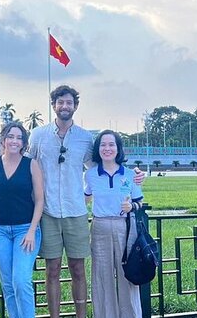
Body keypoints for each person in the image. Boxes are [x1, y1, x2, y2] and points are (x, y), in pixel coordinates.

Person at [27, 84, 144, 318]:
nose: (65, 106)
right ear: (53, 105)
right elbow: (27, 166)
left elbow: (102, 165)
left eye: (69, 102)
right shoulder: (38, 135)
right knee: (52, 269)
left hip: (76, 212)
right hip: (48, 211)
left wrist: (133, 174)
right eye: (60, 102)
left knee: (78, 268)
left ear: (75, 106)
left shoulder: (84, 138)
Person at [0, 122, 44, 318]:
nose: (14, 141)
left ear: (24, 142)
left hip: (25, 229)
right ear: (3, 140)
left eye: (19, 138)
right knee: (8, 284)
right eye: (10, 136)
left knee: (21, 280)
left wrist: (32, 231)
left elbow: (40, 200)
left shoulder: (31, 164)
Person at [84, 130, 144, 318]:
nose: (107, 148)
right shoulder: (90, 175)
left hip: (124, 227)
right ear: (97, 148)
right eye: (103, 144)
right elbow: (85, 198)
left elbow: (139, 202)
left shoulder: (130, 174)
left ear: (118, 149)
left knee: (128, 275)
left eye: (111, 144)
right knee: (102, 277)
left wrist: (131, 206)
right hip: (100, 227)